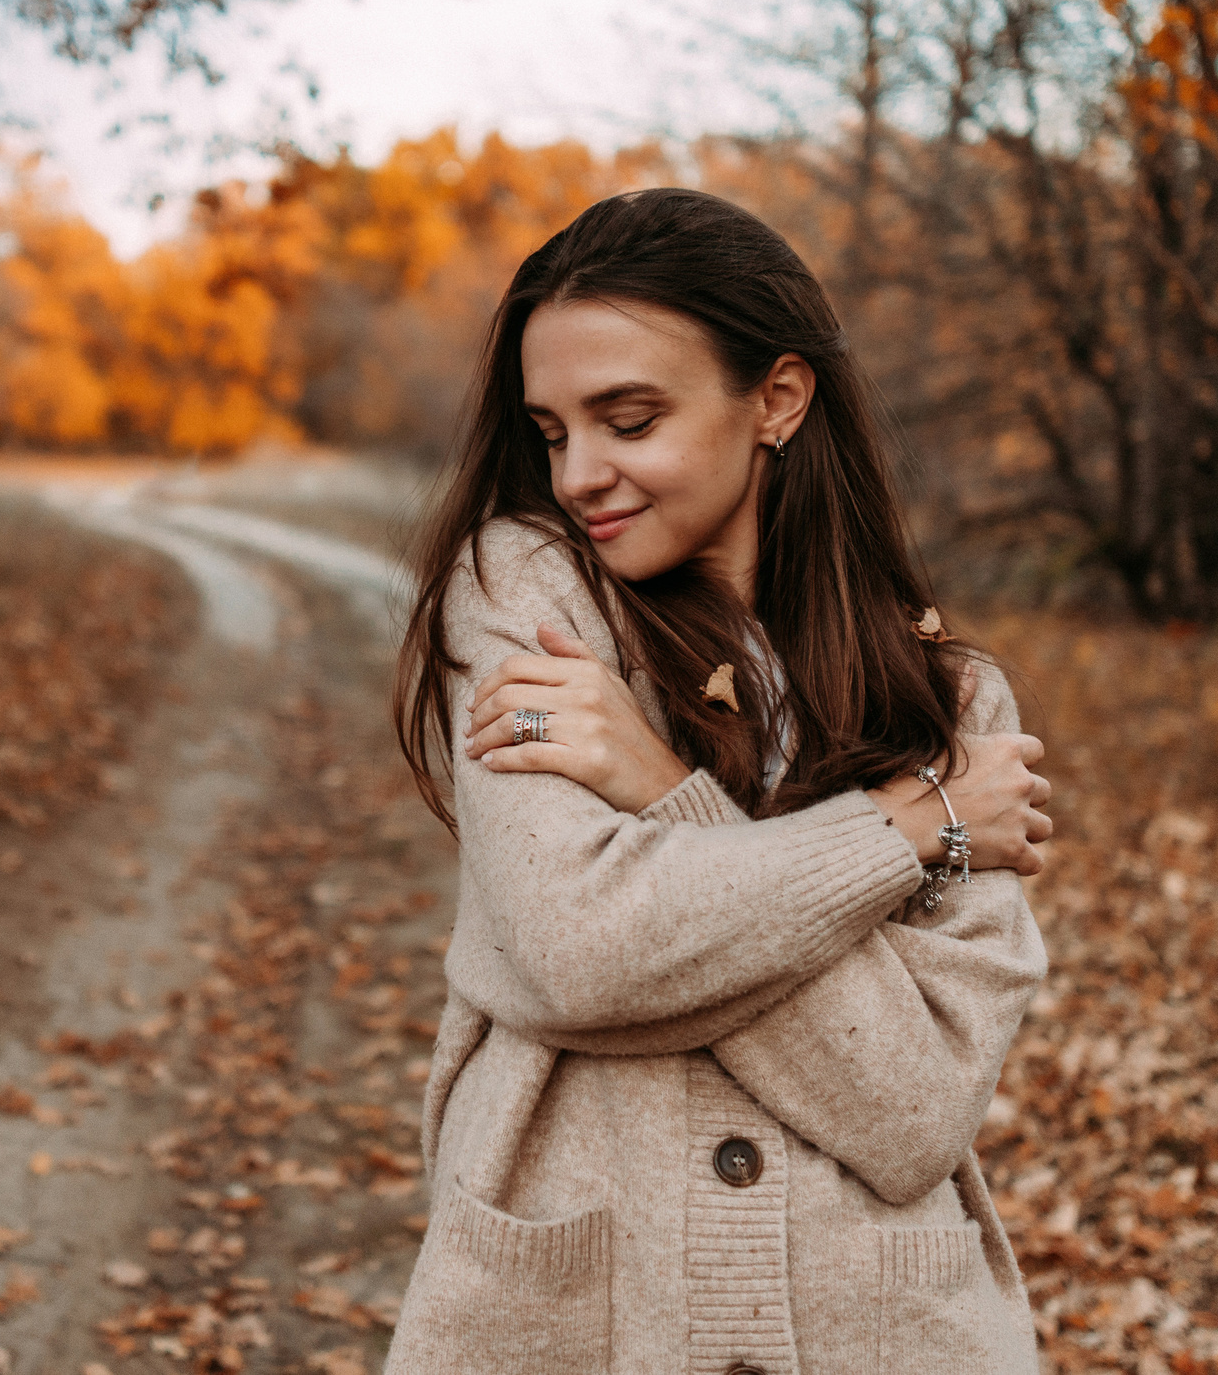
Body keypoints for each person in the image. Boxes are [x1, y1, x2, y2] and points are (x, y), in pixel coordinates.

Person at [384, 188, 1057, 1375]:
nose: (580, 472)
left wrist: (657, 794)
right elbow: (579, 949)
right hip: (575, 1327)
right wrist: (907, 832)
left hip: (882, 1334)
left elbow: (909, 1114)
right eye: (550, 433)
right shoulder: (527, 603)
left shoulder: (950, 712)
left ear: (778, 402)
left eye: (628, 419)